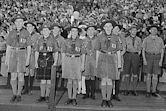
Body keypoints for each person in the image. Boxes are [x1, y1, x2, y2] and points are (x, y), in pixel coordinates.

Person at [95, 20, 121, 107]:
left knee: (110, 79)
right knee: (103, 79)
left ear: (112, 28)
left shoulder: (116, 37)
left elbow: (118, 51)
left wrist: (119, 64)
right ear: (103, 28)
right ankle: (103, 99)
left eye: (110, 26)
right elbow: (98, 51)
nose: (108, 28)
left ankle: (108, 99)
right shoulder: (99, 37)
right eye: (106, 26)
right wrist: (96, 63)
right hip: (102, 57)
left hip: (112, 58)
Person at [6, 14, 31, 102]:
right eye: (17, 21)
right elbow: (8, 46)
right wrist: (7, 59)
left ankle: (19, 94)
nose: (18, 23)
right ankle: (14, 93)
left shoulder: (26, 32)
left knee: (20, 75)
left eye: (20, 21)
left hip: (22, 53)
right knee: (13, 75)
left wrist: (27, 59)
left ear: (23, 22)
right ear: (14, 23)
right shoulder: (11, 32)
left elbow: (29, 47)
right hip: (12, 53)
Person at [62, 26, 85, 106]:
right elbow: (63, 52)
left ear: (78, 32)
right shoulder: (66, 41)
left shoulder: (81, 41)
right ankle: (69, 97)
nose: (74, 33)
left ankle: (74, 97)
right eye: (72, 31)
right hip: (68, 59)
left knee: (75, 80)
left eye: (75, 31)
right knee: (69, 80)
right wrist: (63, 63)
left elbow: (83, 54)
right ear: (70, 32)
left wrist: (82, 64)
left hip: (77, 60)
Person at [35, 24, 58, 103]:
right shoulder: (39, 40)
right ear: (41, 32)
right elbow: (37, 51)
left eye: (47, 30)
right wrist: (35, 62)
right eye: (43, 30)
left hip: (49, 58)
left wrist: (55, 62)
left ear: (50, 31)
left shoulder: (53, 40)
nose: (45, 32)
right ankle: (42, 96)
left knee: (48, 80)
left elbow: (56, 52)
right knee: (42, 80)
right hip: (41, 58)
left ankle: (48, 96)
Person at [142, 25, 164, 97]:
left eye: (155, 30)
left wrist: (161, 60)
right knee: (148, 75)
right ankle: (148, 91)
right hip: (148, 57)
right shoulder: (146, 39)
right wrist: (144, 59)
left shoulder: (160, 39)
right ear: (149, 31)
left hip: (157, 57)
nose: (154, 31)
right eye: (152, 29)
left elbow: (162, 50)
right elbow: (143, 50)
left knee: (155, 75)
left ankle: (154, 91)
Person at [22, 21, 40, 95]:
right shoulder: (23, 35)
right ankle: (25, 88)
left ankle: (30, 88)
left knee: (32, 71)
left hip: (32, 54)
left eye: (30, 26)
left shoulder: (37, 35)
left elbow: (38, 46)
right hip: (25, 54)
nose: (28, 28)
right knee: (26, 71)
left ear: (33, 27)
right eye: (27, 26)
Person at [123, 25, 142, 96]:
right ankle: (126, 89)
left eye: (135, 30)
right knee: (127, 73)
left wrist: (137, 55)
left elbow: (140, 48)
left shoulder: (139, 39)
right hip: (128, 55)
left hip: (135, 56)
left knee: (135, 74)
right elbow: (124, 48)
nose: (134, 31)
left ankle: (134, 89)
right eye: (132, 30)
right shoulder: (126, 39)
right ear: (130, 31)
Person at [111, 25, 126, 101]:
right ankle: (109, 93)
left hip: (119, 59)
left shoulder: (122, 38)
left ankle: (116, 94)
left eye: (118, 29)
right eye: (115, 28)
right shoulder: (109, 37)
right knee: (110, 77)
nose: (116, 30)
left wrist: (118, 56)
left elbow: (124, 49)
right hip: (110, 59)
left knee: (117, 77)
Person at [82, 25, 97, 100]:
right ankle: (87, 92)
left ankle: (93, 93)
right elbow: (82, 51)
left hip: (94, 59)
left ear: (94, 31)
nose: (91, 31)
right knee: (87, 76)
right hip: (86, 59)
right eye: (89, 30)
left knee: (93, 76)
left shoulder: (97, 40)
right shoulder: (84, 40)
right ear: (87, 32)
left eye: (92, 30)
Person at [51, 23, 65, 88]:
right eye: (54, 28)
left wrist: (62, 60)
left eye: (57, 28)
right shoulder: (49, 37)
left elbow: (63, 50)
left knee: (56, 74)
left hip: (58, 56)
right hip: (49, 56)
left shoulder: (62, 39)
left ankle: (54, 88)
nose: (56, 30)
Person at [78, 24, 87, 95]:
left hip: (85, 57)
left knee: (84, 75)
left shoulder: (87, 39)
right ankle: (78, 88)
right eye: (81, 30)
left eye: (84, 30)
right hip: (78, 57)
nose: (82, 32)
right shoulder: (77, 39)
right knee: (78, 74)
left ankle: (84, 89)